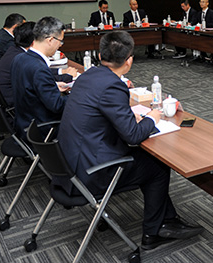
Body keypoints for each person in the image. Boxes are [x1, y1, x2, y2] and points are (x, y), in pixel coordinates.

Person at [56, 31, 203, 250]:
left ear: (99, 55)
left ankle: (168, 219)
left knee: (147, 159)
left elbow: (97, 111)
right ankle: (154, 231)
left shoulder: (88, 75)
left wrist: (128, 116)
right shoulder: (113, 86)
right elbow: (133, 136)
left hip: (68, 162)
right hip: (91, 172)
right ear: (129, 61)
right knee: (158, 167)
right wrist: (153, 117)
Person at [0, 22, 75, 107]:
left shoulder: (15, 51)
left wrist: (60, 72)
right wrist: (68, 77)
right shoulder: (23, 58)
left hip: (4, 100)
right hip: (13, 104)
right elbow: (41, 77)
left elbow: (39, 77)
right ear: (34, 41)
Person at [11, 16, 70, 136]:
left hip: (24, 124)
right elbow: (57, 106)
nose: (60, 45)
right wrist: (80, 94)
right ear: (50, 40)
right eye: (60, 41)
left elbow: (30, 90)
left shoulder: (19, 58)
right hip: (41, 129)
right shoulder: (39, 69)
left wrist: (53, 85)